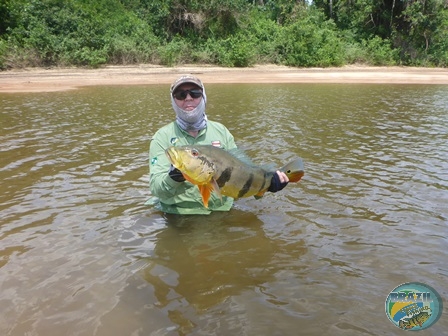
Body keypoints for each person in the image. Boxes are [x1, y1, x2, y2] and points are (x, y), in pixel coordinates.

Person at [149, 75, 289, 215]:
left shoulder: (221, 131)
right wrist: (173, 177)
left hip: (221, 213)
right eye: (180, 95)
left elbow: (243, 177)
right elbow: (156, 189)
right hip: (178, 215)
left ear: (203, 96)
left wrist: (268, 184)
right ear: (173, 101)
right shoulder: (162, 137)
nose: (188, 98)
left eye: (195, 93)